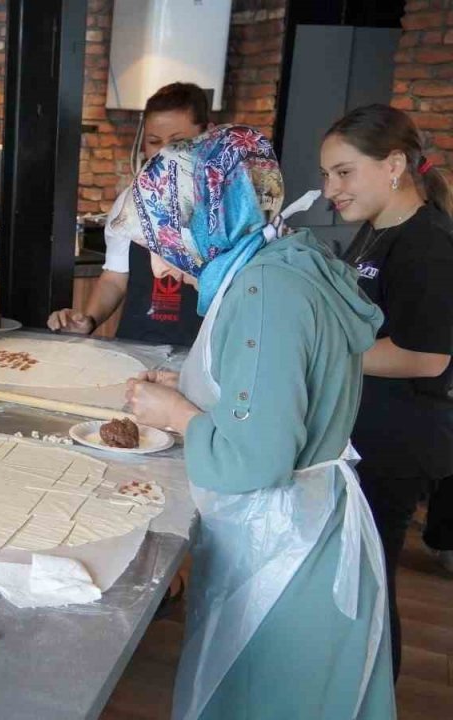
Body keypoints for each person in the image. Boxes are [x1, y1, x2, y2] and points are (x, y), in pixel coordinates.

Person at [116, 125, 395, 719]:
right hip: (312, 524)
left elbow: (256, 458)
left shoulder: (265, 288)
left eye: (162, 241)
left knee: (265, 698)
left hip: (287, 549)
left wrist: (180, 414)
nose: (162, 268)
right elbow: (281, 392)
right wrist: (194, 392)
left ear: (203, 222)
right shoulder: (289, 258)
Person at [320, 103, 453, 675]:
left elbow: (425, 357)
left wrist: (320, 351)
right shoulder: (377, 231)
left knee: (371, 585)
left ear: (394, 164)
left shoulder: (429, 244)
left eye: (343, 172)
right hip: (361, 434)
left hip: (395, 444)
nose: (330, 189)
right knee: (351, 580)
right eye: (327, 175)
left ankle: (373, 700)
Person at [49, 82, 209, 345]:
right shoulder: (130, 202)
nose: (166, 152)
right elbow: (115, 277)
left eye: (179, 142)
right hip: (134, 350)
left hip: (201, 360)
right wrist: (87, 320)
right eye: (155, 142)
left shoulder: (228, 208)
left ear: (208, 136)